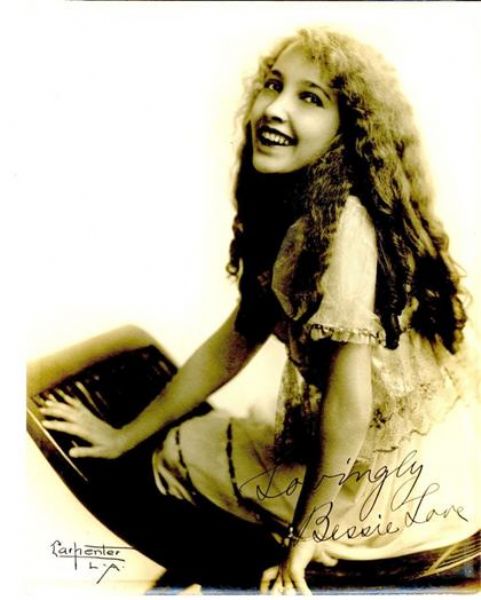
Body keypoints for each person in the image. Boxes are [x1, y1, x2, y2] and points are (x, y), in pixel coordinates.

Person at [40, 27, 481, 594]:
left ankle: (274, 554)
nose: (275, 108)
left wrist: (304, 540)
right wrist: (126, 434)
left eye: (310, 98)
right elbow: (237, 338)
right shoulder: (299, 206)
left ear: (349, 130)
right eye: (273, 85)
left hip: (398, 488)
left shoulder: (347, 228)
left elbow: (349, 408)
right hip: (404, 459)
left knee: (181, 456)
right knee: (191, 441)